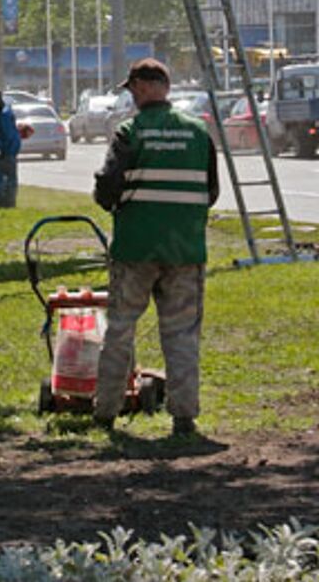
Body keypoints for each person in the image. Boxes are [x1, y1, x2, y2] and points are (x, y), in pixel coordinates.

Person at [91, 58, 219, 437]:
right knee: (181, 334)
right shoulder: (198, 133)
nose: (131, 97)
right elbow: (211, 192)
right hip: (185, 253)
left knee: (119, 331)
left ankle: (106, 413)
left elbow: (107, 188)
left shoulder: (129, 132)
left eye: (133, 89)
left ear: (148, 86)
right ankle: (183, 418)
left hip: (134, 250)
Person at [0, 86, 21, 208]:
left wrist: (1, 151)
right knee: (2, 177)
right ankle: (5, 202)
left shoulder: (4, 113)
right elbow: (1, 130)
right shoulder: (1, 111)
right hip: (8, 149)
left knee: (2, 178)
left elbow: (7, 134)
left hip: (8, 150)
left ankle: (4, 203)